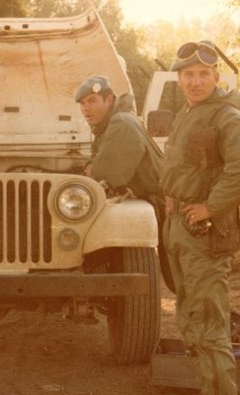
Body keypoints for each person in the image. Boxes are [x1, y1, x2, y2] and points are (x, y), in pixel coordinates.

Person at [162, 40, 240, 395]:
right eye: (188, 74)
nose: (195, 81)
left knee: (209, 327)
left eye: (203, 74)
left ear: (216, 76)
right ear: (179, 79)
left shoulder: (227, 117)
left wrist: (210, 206)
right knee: (192, 319)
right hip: (181, 227)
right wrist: (171, 196)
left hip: (203, 233)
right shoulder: (188, 114)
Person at [75, 76, 174, 291]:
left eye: (92, 101)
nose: (86, 108)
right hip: (158, 199)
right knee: (179, 274)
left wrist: (93, 168)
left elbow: (109, 174)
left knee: (185, 275)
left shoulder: (121, 123)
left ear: (109, 99)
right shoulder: (113, 123)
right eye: (83, 103)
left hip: (163, 203)